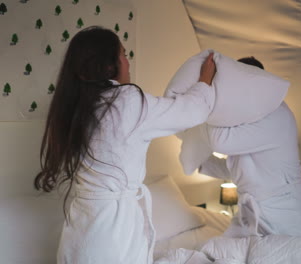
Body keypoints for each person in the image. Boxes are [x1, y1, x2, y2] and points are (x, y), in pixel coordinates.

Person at [34, 26, 216, 264]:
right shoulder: (126, 101)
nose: (128, 63)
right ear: (110, 65)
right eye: (124, 54)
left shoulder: (79, 105)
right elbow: (192, 111)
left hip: (79, 230)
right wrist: (205, 79)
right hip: (112, 235)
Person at [198, 56, 301, 239]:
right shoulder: (246, 116)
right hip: (251, 211)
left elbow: (220, 141)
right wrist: (197, 158)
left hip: (282, 213)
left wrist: (206, 88)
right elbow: (239, 169)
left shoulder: (277, 114)